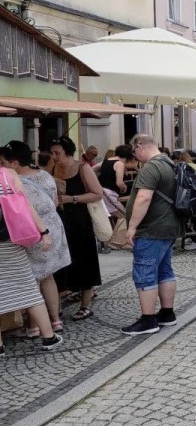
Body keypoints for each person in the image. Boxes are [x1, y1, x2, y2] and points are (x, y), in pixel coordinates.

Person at [0, 141, 70, 334]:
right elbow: (54, 201)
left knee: (32, 280)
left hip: (29, 231)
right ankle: (55, 321)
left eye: (3, 162)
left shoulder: (12, 179)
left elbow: (23, 209)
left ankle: (34, 326)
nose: (2, 166)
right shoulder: (45, 175)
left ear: (14, 163)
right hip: (52, 227)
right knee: (48, 276)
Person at [122, 134, 181, 335]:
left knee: (145, 272)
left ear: (139, 146)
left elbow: (144, 198)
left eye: (134, 152)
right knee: (165, 271)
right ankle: (167, 314)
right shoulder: (170, 163)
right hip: (168, 227)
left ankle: (148, 320)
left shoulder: (151, 167)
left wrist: (132, 227)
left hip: (151, 229)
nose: (135, 156)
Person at [50, 136, 103, 322]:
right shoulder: (53, 169)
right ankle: (58, 306)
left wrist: (72, 199)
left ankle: (85, 306)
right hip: (60, 221)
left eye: (57, 153)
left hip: (80, 221)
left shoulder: (83, 168)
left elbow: (98, 194)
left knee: (85, 260)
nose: (54, 157)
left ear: (67, 152)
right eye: (52, 153)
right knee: (61, 263)